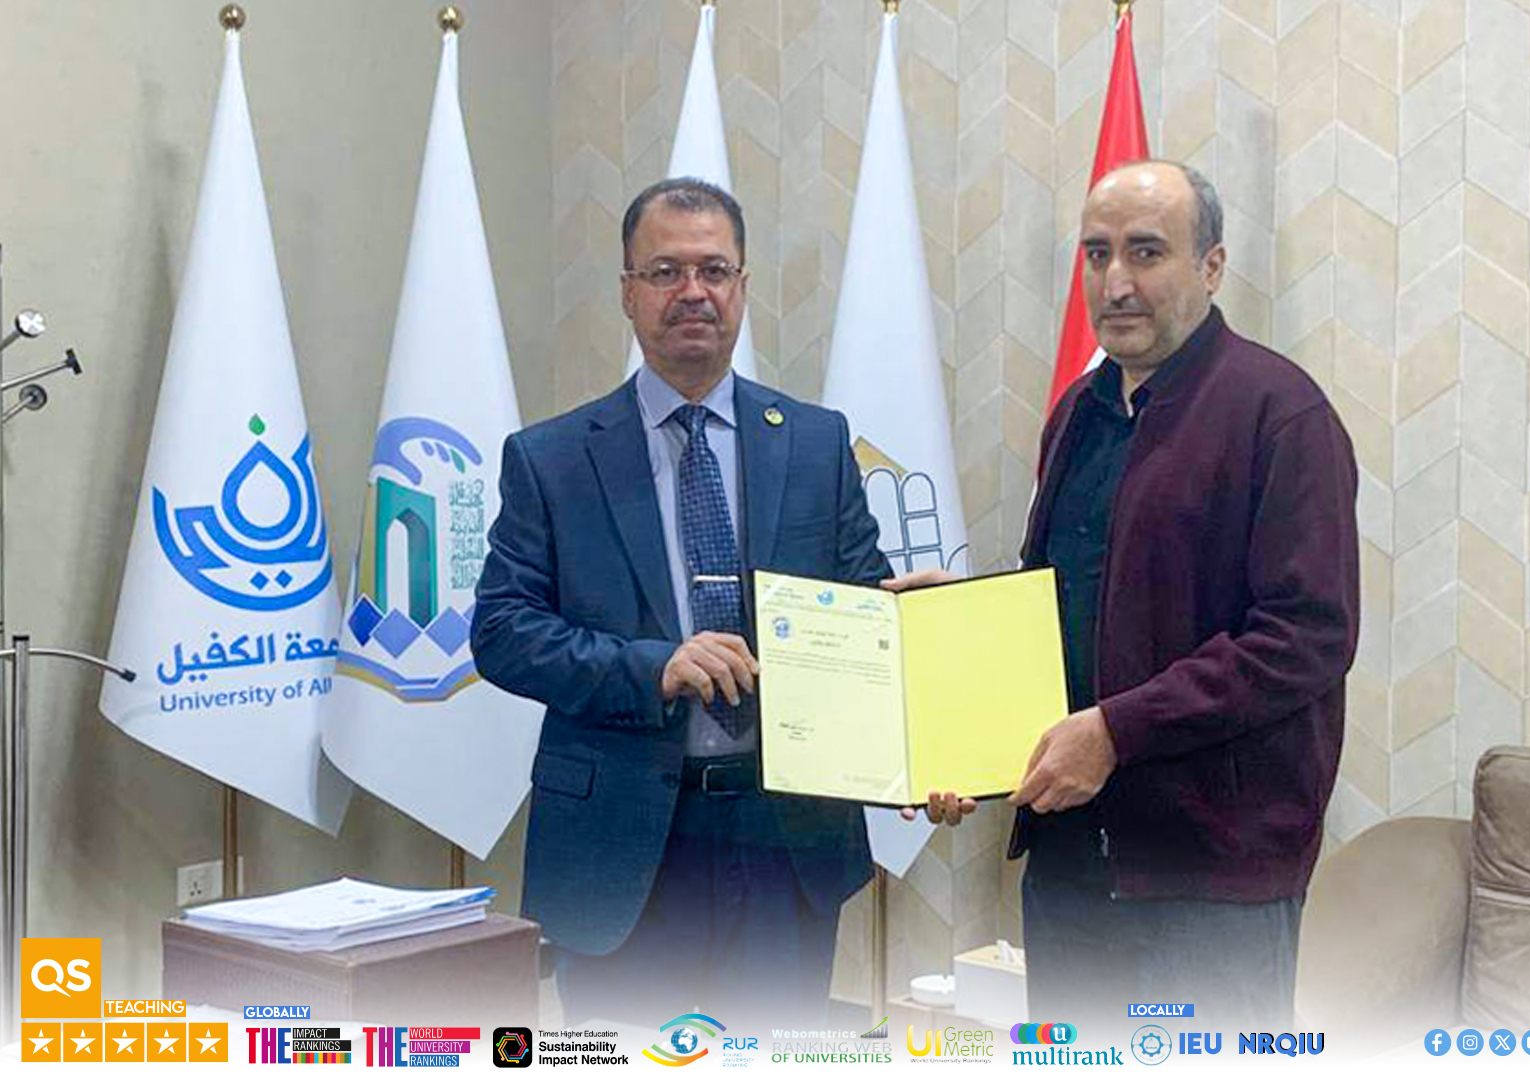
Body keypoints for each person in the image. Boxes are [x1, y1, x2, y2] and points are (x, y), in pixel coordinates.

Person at [898, 161, 1360, 1037]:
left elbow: (1304, 637)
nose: (1115, 283)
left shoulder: (1281, 414)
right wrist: (959, 638)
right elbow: (1070, 603)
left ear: (1211, 266)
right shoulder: (1079, 412)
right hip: (1069, 867)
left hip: (1208, 888)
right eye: (1096, 254)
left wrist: (1116, 731)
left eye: (1146, 252)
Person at [472, 177, 891, 1028]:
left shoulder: (816, 443)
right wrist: (654, 668)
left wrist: (909, 636)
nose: (693, 291)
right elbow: (504, 631)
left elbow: (861, 608)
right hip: (621, 846)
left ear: (743, 287)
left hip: (785, 838)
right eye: (665, 271)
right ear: (628, 292)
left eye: (714, 270)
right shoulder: (552, 458)